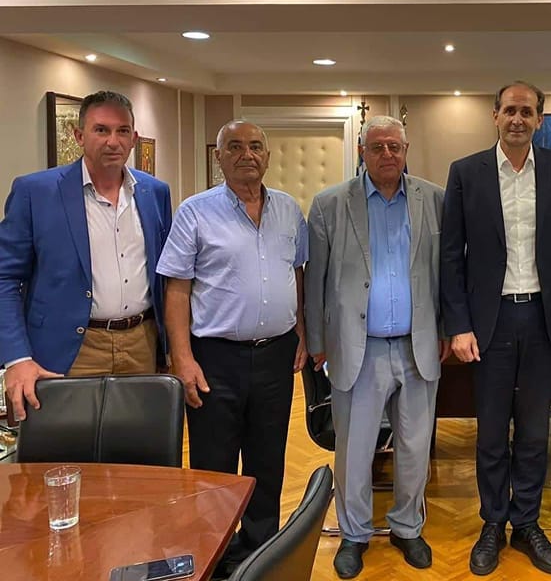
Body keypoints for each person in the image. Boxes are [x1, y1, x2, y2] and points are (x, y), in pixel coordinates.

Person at [441, 81, 551, 576]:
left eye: (527, 111)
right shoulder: (466, 173)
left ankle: (526, 522)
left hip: (545, 318)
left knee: (535, 431)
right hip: (490, 322)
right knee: (489, 432)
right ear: (495, 116)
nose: (518, 119)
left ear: (540, 119)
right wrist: (458, 325)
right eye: (510, 110)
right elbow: (451, 256)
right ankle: (492, 522)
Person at [157, 120, 308, 578]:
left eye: (256, 146)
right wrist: (182, 358)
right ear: (219, 157)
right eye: (236, 146)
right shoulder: (195, 212)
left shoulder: (289, 210)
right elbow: (177, 290)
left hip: (276, 355)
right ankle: (215, 556)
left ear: (268, 156)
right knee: (214, 465)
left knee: (268, 460)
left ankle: (260, 554)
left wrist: (302, 332)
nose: (248, 154)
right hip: (214, 358)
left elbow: (297, 274)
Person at [305, 115, 448, 580]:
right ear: (362, 152)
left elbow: (448, 273)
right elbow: (315, 279)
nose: (387, 154)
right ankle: (354, 534)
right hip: (357, 348)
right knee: (355, 449)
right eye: (377, 146)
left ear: (406, 151)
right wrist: (316, 341)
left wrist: (448, 330)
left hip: (417, 346)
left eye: (394, 146)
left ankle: (407, 527)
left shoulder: (434, 199)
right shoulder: (329, 204)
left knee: (415, 447)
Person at [0, 90, 172, 421]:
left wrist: (171, 348)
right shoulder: (36, 192)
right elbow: (5, 277)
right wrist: (16, 358)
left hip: (141, 344)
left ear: (134, 138)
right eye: (101, 130)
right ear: (79, 136)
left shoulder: (155, 192)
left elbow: (164, 274)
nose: (113, 141)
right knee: (67, 445)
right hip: (68, 349)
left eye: (122, 131)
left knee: (136, 443)